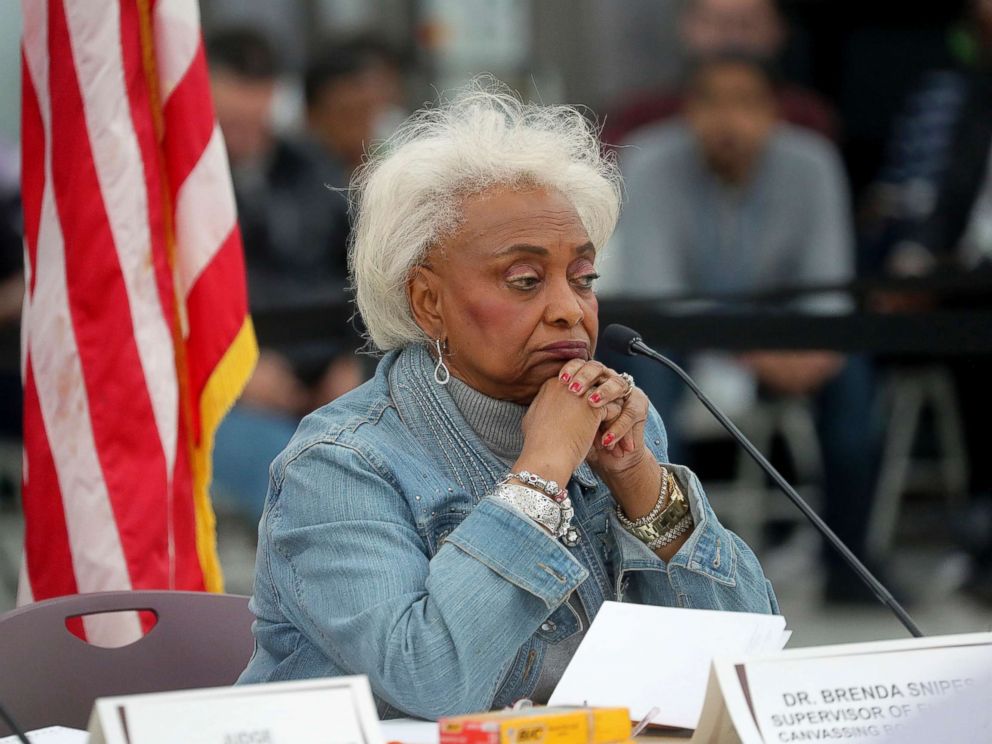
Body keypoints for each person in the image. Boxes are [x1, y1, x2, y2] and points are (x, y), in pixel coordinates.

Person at [238, 84, 778, 718]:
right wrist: (540, 476)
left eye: (584, 278)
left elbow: (746, 669)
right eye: (525, 281)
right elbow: (431, 682)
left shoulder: (615, 427)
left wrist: (642, 486)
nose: (569, 310)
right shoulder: (339, 464)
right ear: (428, 302)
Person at [599, 53, 881, 604]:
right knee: (647, 397)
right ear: (688, 112)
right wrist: (756, 349)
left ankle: (851, 567)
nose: (729, 120)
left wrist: (813, 346)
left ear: (775, 112)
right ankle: (667, 573)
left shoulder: (812, 163)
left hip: (787, 334)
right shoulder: (651, 162)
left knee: (852, 381)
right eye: (712, 103)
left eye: (746, 103)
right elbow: (661, 298)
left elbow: (830, 283)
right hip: (680, 336)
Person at [206, 28, 364, 522]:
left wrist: (353, 362)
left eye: (258, 115)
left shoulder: (315, 169)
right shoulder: (174, 189)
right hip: (226, 383)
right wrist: (231, 369)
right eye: (229, 120)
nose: (246, 132)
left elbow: (366, 280)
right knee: (293, 474)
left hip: (330, 368)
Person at [602, 0, 837, 148]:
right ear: (686, 26)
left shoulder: (807, 118)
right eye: (716, 23)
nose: (731, 38)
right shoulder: (638, 119)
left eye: (747, 24)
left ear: (778, 30)